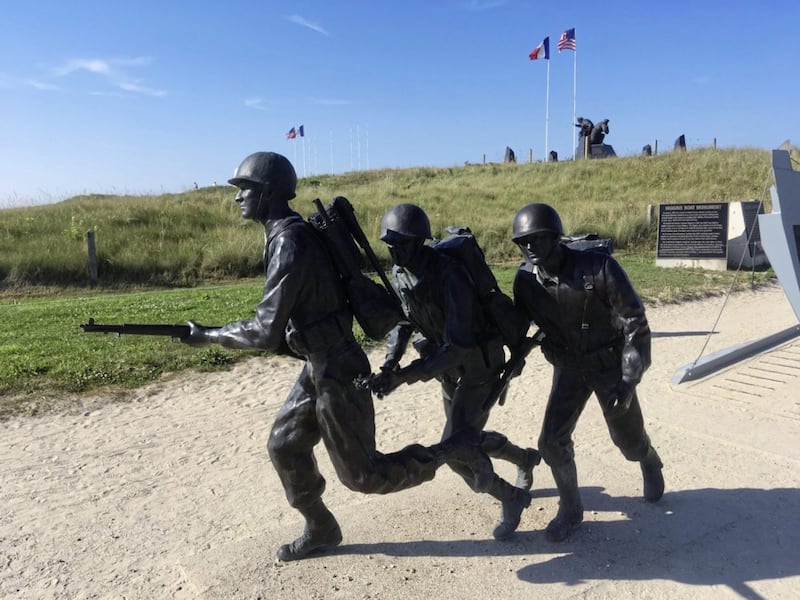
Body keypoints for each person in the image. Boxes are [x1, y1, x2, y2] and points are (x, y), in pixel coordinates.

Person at [182, 152, 483, 561]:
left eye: (244, 189)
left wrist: (210, 335)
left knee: (365, 477)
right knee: (285, 445)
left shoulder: (290, 241)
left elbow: (266, 329)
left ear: (268, 193)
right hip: (319, 364)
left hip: (338, 368)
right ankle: (322, 528)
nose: (237, 198)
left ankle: (451, 450)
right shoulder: (287, 234)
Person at [368, 203, 541, 541]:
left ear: (420, 242)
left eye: (400, 244)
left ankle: (512, 497)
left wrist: (404, 377)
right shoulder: (399, 274)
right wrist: (390, 365)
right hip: (447, 371)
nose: (393, 251)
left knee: (455, 448)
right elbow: (403, 323)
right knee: (465, 438)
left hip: (478, 365)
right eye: (389, 244)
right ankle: (523, 457)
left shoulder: (450, 275)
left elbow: (459, 345)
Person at [510, 202, 664, 542]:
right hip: (568, 367)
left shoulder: (599, 268)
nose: (530, 247)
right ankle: (571, 508)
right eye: (524, 241)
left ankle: (649, 459)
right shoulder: (525, 281)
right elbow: (519, 327)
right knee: (551, 442)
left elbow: (635, 325)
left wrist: (628, 380)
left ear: (555, 236)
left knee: (628, 440)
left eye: (537, 238)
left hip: (609, 366)